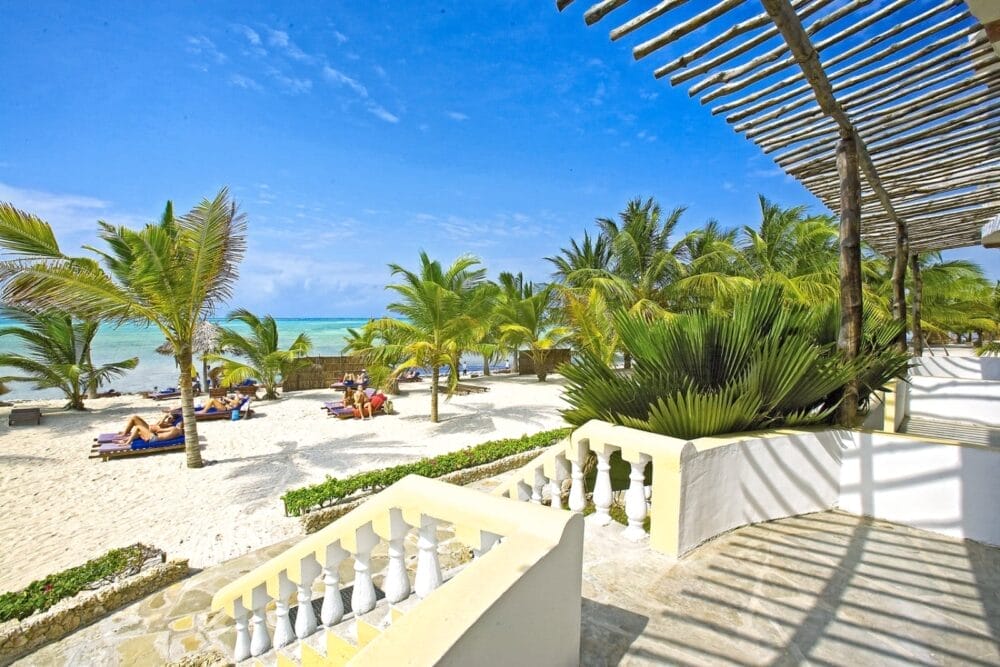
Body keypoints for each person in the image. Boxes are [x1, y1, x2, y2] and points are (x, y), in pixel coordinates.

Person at [117, 413, 183, 445]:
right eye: (168, 418)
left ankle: (127, 442)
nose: (168, 419)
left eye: (170, 418)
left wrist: (164, 417)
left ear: (174, 420)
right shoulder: (174, 428)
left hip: (153, 437)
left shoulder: (173, 427)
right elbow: (158, 426)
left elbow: (158, 430)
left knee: (138, 428)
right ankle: (125, 436)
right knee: (135, 417)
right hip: (153, 435)